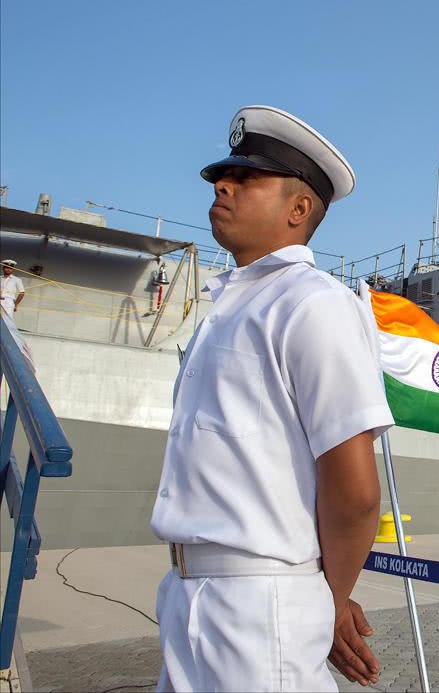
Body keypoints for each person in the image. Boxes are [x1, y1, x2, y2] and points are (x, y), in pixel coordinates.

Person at [150, 106, 394, 691]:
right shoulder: (227, 309)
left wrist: (328, 601)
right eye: (221, 176)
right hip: (188, 597)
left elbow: (357, 496)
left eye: (247, 178)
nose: (222, 185)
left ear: (299, 209)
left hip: (261, 608)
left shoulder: (313, 304)